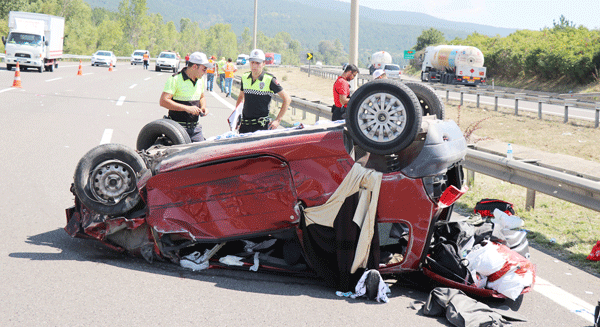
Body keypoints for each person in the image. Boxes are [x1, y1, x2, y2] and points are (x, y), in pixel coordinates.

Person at [159, 52, 214, 142]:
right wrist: (186, 108)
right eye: (204, 69)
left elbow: (202, 97)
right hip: (176, 129)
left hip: (195, 129)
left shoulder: (201, 80)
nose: (205, 72)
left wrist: (203, 107)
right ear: (195, 66)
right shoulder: (175, 79)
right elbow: (163, 101)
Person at [235, 48, 291, 134]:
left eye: (258, 63)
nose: (254, 65)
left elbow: (287, 99)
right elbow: (240, 98)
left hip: (261, 127)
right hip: (244, 126)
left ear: (264, 63)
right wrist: (237, 116)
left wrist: (277, 120)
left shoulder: (269, 79)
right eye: (252, 62)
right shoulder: (245, 77)